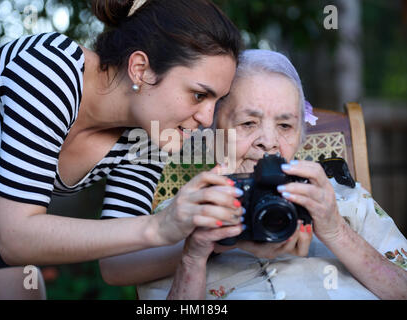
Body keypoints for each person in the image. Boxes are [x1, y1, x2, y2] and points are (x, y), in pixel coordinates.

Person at [0, 0, 244, 299]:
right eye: (199, 95)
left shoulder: (149, 133)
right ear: (140, 69)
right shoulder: (51, 72)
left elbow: (118, 265)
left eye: (217, 101)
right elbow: (16, 237)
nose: (207, 119)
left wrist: (222, 239)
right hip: (3, 226)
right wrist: (159, 226)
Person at [137, 49, 407, 300]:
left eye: (285, 125)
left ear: (301, 136)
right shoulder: (177, 219)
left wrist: (336, 231)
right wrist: (193, 257)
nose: (268, 141)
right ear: (211, 136)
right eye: (248, 123)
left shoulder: (346, 201)